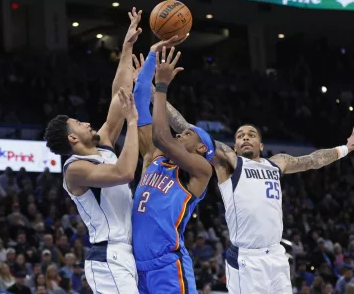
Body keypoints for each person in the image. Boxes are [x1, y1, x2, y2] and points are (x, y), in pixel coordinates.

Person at [144, 64, 354, 292]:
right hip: (246, 259)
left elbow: (313, 160)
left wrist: (346, 148)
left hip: (276, 255)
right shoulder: (229, 162)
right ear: (234, 144)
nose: (245, 138)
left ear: (261, 145)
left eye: (251, 135)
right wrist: (153, 92)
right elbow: (186, 127)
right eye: (240, 135)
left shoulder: (278, 163)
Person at [44, 8, 142, 294]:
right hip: (108, 257)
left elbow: (118, 97)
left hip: (125, 254)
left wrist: (126, 47)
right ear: (74, 138)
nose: (88, 122)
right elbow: (125, 172)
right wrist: (133, 123)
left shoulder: (103, 144)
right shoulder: (75, 170)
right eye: (80, 123)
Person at [132, 44, 214, 293]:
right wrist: (152, 57)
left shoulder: (201, 170)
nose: (180, 135)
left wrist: (162, 86)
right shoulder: (154, 158)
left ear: (201, 149)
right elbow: (138, 100)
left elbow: (161, 136)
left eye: (187, 134)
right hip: (136, 265)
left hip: (167, 266)